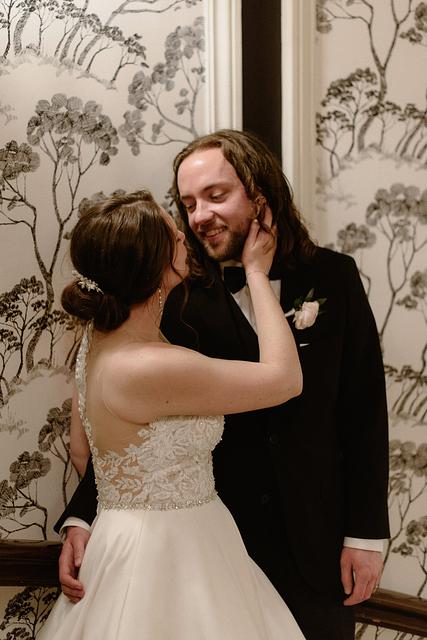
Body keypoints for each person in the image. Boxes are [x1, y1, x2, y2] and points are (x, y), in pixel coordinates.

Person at [55, 130, 390, 640]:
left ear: (261, 193)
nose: (199, 217)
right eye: (188, 204)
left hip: (316, 544)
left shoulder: (334, 277)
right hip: (204, 550)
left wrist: (365, 535)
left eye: (216, 196)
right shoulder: (169, 292)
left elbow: (363, 412)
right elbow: (126, 429)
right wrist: (82, 517)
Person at [40, 189, 305, 639]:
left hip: (129, 536)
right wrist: (257, 273)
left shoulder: (96, 341)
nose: (183, 234)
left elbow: (84, 450)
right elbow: (285, 380)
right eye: (171, 232)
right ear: (152, 267)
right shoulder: (151, 365)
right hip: (169, 552)